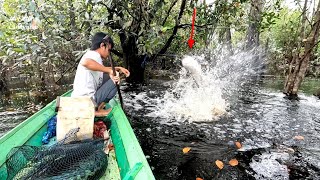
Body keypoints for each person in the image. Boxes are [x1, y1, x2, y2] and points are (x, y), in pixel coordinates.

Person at [72, 32, 130, 117]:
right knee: (116, 80)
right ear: (103, 45)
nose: (109, 53)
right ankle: (96, 110)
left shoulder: (92, 55)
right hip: (86, 101)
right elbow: (86, 62)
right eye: (109, 50)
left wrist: (118, 68)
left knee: (110, 75)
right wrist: (110, 71)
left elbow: (102, 70)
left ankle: (98, 107)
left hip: (81, 98)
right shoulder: (94, 55)